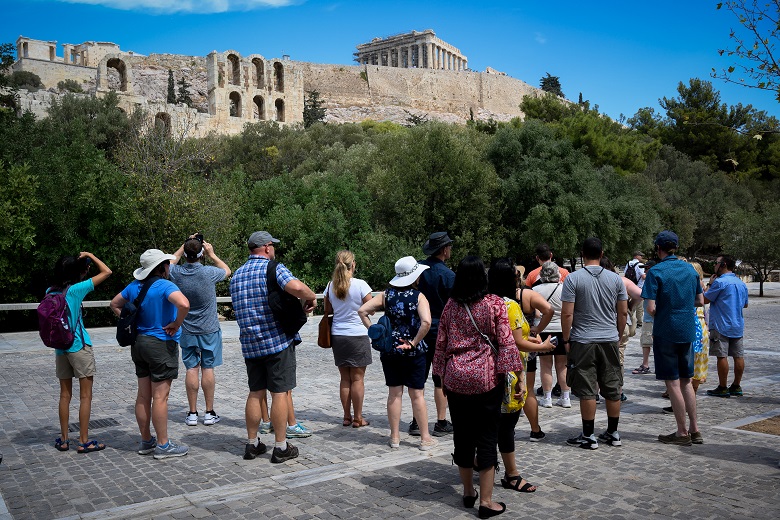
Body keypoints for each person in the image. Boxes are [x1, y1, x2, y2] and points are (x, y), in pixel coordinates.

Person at [433, 256, 523, 518]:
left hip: (456, 378)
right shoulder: (495, 304)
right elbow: (507, 343)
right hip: (486, 380)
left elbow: (441, 343)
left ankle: (468, 492)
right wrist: (516, 377)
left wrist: (439, 377)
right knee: (486, 437)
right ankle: (486, 501)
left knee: (462, 435)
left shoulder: (450, 306)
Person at [231, 231, 317, 463]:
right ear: (267, 247)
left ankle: (252, 444)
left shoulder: (236, 275)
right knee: (279, 393)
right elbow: (297, 287)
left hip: (250, 344)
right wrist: (311, 297)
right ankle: (281, 447)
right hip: (276, 341)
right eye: (273, 247)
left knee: (255, 393)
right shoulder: (273, 268)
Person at [110, 249, 191, 459]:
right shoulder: (165, 285)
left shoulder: (134, 287)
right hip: (161, 344)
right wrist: (176, 323)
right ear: (162, 267)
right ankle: (163, 445)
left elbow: (114, 304)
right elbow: (184, 304)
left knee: (143, 396)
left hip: (139, 344)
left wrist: (131, 321)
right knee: (160, 397)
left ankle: (146, 440)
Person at [489, 258, 555, 494]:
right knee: (507, 425)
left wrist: (530, 339)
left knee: (490, 423)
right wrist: (543, 346)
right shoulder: (510, 305)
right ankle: (512, 474)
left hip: (488, 369)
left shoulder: (485, 301)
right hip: (510, 373)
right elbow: (516, 343)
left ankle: (482, 462)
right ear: (512, 280)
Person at [358, 256, 437, 451]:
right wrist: (414, 341)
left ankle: (394, 438)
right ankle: (425, 438)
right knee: (417, 394)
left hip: (390, 350)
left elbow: (362, 311)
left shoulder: (387, 295)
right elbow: (426, 322)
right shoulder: (419, 297)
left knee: (394, 393)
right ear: (415, 277)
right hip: (414, 351)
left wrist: (375, 333)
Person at [561, 237, 628, 450]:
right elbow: (623, 311)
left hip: (583, 339)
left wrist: (566, 339)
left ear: (582, 254)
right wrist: (617, 334)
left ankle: (589, 435)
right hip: (609, 338)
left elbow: (567, 313)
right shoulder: (616, 279)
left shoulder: (573, 279)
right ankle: (613, 432)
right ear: (601, 253)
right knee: (612, 385)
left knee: (588, 388)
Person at [641, 231, 704, 446]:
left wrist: (666, 311)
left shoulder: (656, 271)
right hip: (687, 330)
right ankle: (695, 429)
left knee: (673, 383)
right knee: (687, 381)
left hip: (666, 332)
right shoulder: (689, 269)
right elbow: (700, 300)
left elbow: (650, 308)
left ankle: (681, 432)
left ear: (658, 248)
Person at [50, 252, 112, 454]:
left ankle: (64, 439)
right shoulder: (77, 290)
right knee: (85, 396)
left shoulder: (50, 291)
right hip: (79, 346)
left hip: (61, 348)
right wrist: (91, 256)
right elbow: (107, 272)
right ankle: (84, 440)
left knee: (64, 395)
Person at [169, 234, 231, 427]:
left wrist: (183, 246)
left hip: (187, 329)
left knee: (191, 369)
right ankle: (209, 412)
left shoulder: (177, 272)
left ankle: (192, 413)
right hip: (209, 329)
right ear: (202, 253)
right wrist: (212, 254)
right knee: (208, 368)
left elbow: (170, 261)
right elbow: (227, 271)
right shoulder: (209, 273)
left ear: (186, 254)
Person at [325, 250, 373, 428]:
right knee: (358, 379)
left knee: (344, 379)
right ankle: (358, 418)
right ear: (353, 265)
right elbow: (372, 308)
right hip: (358, 334)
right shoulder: (361, 285)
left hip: (338, 335)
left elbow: (327, 310)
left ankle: (346, 417)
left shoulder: (331, 286)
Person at [415, 231, 456, 437]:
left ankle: (416, 421)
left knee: (418, 377)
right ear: (444, 249)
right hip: (441, 330)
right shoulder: (448, 276)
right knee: (439, 377)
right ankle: (441, 421)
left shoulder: (418, 270)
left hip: (419, 329)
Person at [704, 255, 749, 398]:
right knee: (738, 355)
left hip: (720, 324)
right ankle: (736, 385)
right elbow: (745, 304)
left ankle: (722, 387)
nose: (714, 266)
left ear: (723, 265)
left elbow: (705, 299)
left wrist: (710, 284)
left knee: (721, 355)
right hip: (737, 324)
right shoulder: (741, 283)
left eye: (716, 263)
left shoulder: (720, 282)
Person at [516, 272, 553, 441]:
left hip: (502, 348)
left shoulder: (493, 296)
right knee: (528, 390)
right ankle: (535, 429)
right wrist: (537, 329)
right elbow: (548, 310)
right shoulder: (527, 294)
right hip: (526, 347)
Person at [533, 261, 572, 408]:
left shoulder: (535, 290)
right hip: (562, 329)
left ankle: (547, 397)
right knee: (562, 365)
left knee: (545, 365)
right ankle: (566, 397)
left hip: (542, 330)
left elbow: (535, 312)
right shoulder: (565, 289)